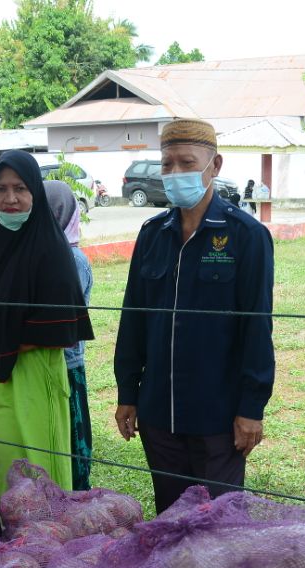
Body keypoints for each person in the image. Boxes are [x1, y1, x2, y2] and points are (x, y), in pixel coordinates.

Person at [114, 119, 275, 514]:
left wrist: (251, 408)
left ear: (215, 165)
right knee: (170, 517)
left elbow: (257, 326)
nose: (174, 173)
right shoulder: (152, 234)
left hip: (218, 415)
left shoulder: (245, 235)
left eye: (187, 162)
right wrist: (127, 392)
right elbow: (133, 318)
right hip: (158, 411)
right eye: (167, 164)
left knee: (218, 523)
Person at [0, 150, 94, 501]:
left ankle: (48, 548)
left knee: (39, 468)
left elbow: (51, 331)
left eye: (20, 188)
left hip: (33, 377)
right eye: (1, 189)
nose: (10, 199)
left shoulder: (51, 249)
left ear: (35, 194)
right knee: (3, 469)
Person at [43, 179, 95, 490]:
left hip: (64, 362)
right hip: (52, 366)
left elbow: (63, 321)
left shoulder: (72, 260)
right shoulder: (59, 256)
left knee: (71, 445)